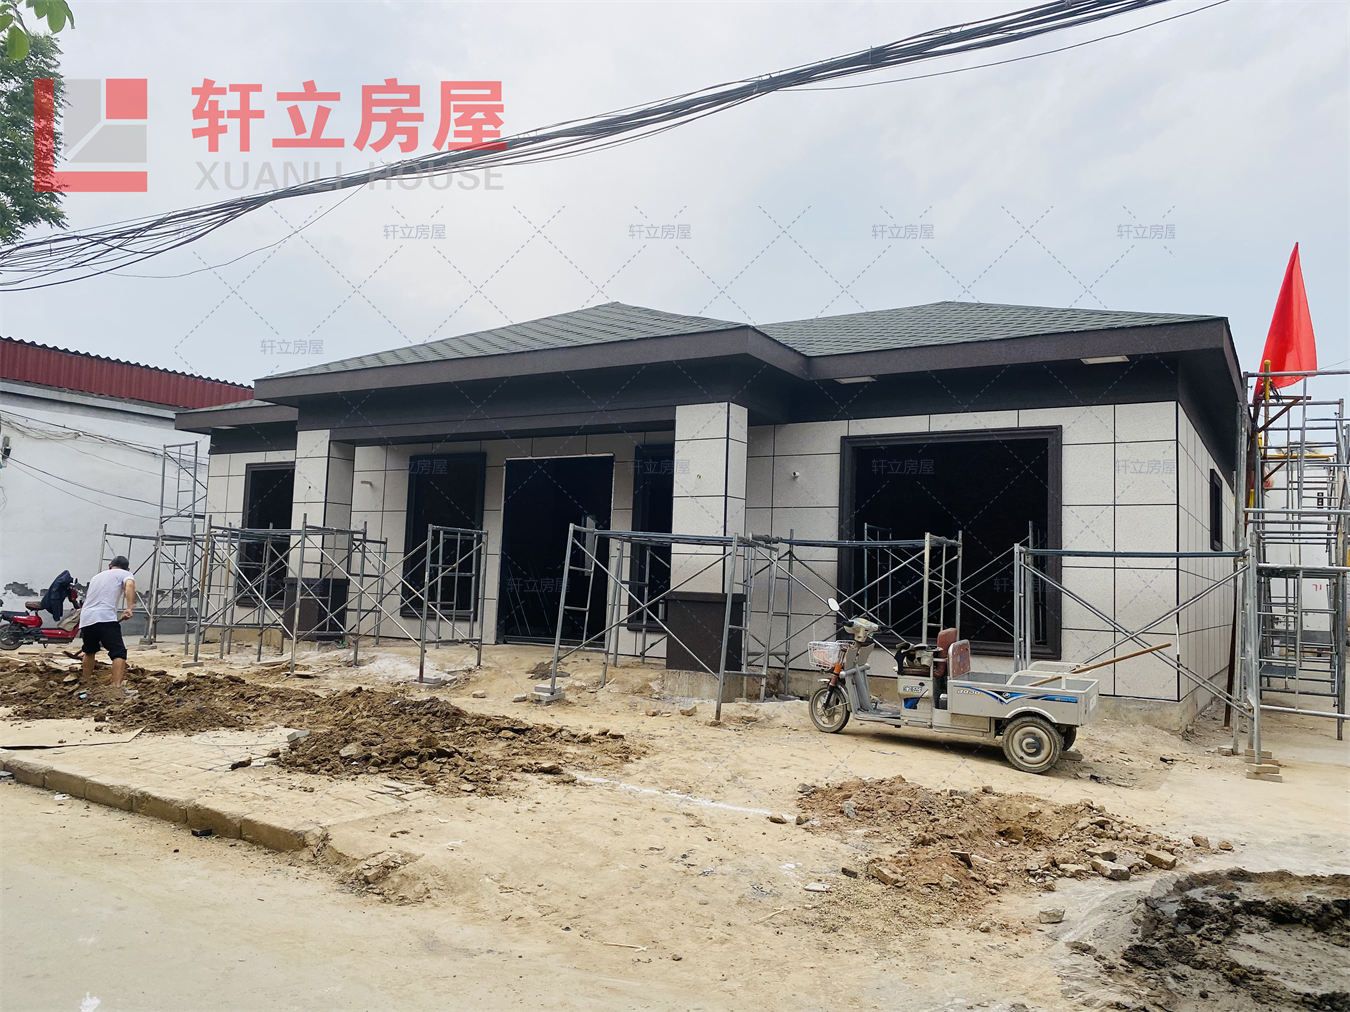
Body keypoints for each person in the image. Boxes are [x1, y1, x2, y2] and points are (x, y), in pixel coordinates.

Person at [79, 557, 136, 688]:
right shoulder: (126, 574)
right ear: (127, 568)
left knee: (89, 651)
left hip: (87, 618)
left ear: (110, 566)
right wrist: (129, 608)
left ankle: (85, 683)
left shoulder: (96, 577)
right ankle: (116, 687)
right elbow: (129, 586)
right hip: (105, 617)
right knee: (119, 652)